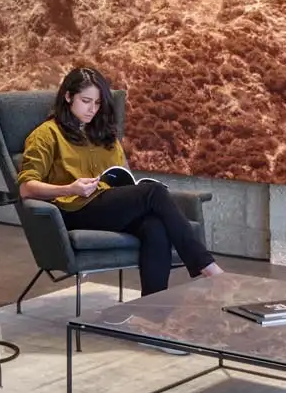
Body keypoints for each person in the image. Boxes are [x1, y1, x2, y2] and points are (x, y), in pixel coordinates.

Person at [18, 65, 222, 296]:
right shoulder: (46, 134)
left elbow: (119, 173)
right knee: (153, 193)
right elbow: (26, 188)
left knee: (155, 227)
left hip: (106, 206)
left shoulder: (102, 134)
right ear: (68, 96)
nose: (92, 109)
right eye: (86, 101)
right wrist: (69, 187)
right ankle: (206, 265)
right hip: (73, 209)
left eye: (97, 104)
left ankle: (151, 314)